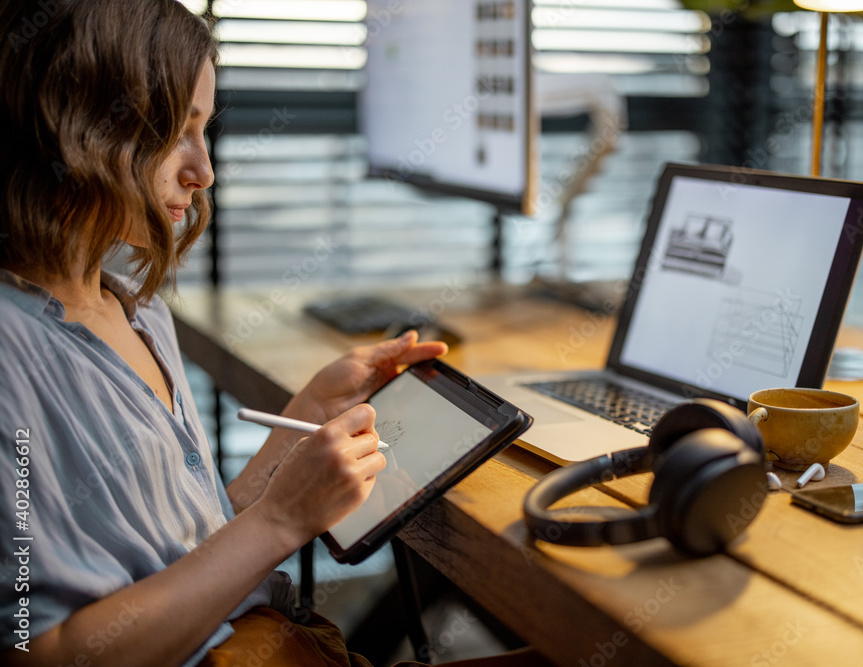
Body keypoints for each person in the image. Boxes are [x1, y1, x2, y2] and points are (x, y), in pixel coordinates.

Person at [0, 2, 549, 666]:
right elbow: (43, 649)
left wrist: (305, 418)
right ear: (79, 127)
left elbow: (182, 548)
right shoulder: (13, 353)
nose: (204, 172)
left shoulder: (134, 307)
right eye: (179, 130)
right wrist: (281, 520)